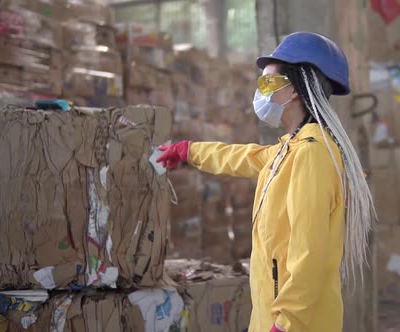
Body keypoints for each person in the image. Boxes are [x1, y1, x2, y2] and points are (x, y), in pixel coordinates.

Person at [157, 31, 375, 332]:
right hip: (274, 317)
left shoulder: (312, 156)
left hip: (297, 324)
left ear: (295, 89)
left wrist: (286, 323)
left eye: (267, 82)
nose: (260, 91)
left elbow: (309, 253)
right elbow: (244, 157)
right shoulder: (292, 148)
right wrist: (188, 151)